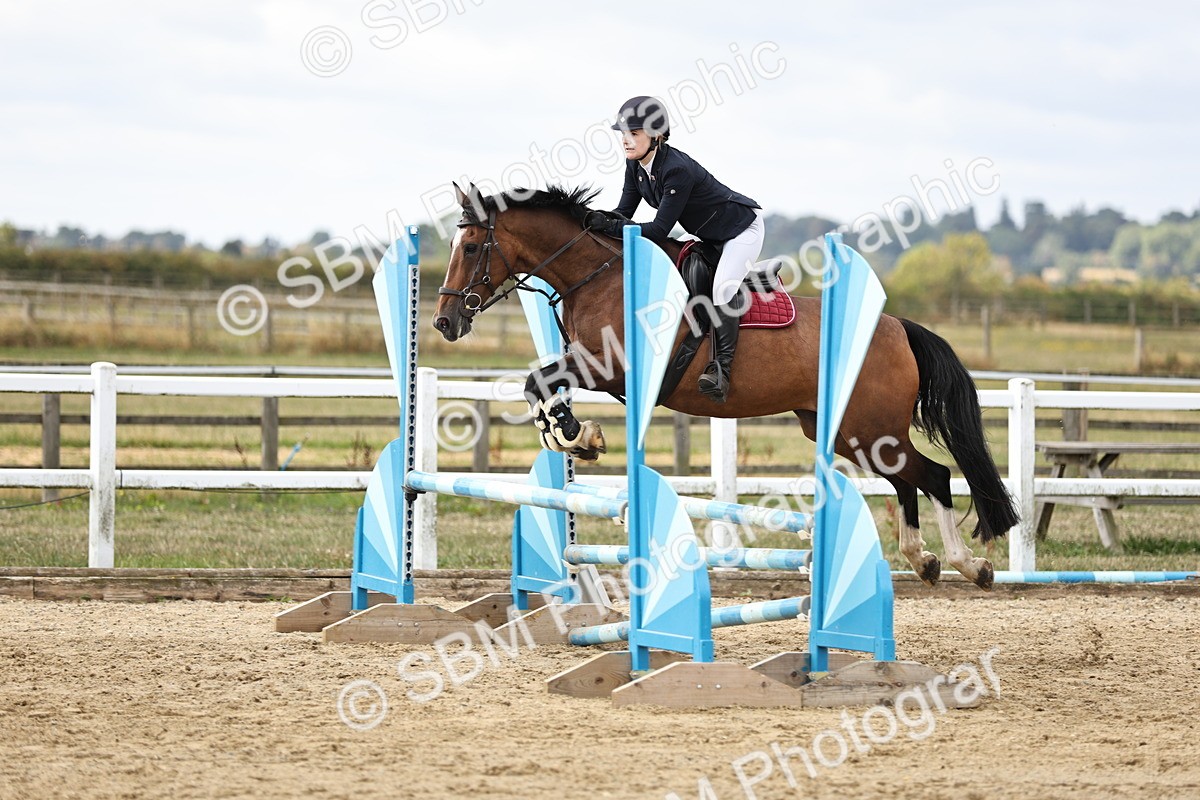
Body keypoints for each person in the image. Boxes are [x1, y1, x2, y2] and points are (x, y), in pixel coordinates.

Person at [585, 95, 764, 403]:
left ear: (656, 135)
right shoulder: (636, 166)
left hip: (741, 231)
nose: (626, 141)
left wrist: (610, 226)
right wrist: (593, 220)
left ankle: (721, 369)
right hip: (710, 235)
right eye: (624, 134)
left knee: (721, 289)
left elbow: (657, 230)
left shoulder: (676, 169)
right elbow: (623, 213)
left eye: (634, 133)